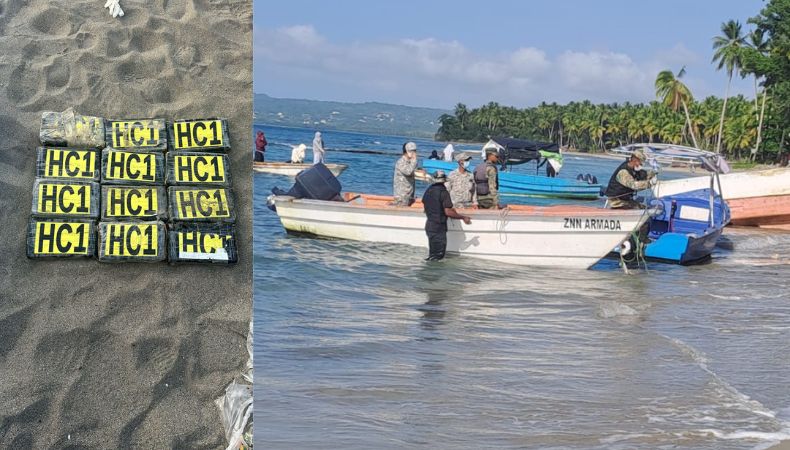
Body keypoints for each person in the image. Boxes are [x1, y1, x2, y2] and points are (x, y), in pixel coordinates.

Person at [422, 170, 472, 261]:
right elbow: (448, 212)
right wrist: (463, 217)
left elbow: (426, 207)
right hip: (439, 227)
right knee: (438, 256)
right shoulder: (443, 192)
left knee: (432, 254)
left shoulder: (428, 190)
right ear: (444, 181)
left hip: (429, 225)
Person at [393, 141, 418, 206]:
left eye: (415, 151)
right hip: (402, 196)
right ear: (407, 151)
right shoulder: (401, 162)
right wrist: (414, 160)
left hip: (409, 195)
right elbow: (408, 172)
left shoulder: (410, 162)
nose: (414, 153)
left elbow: (413, 171)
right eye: (412, 151)